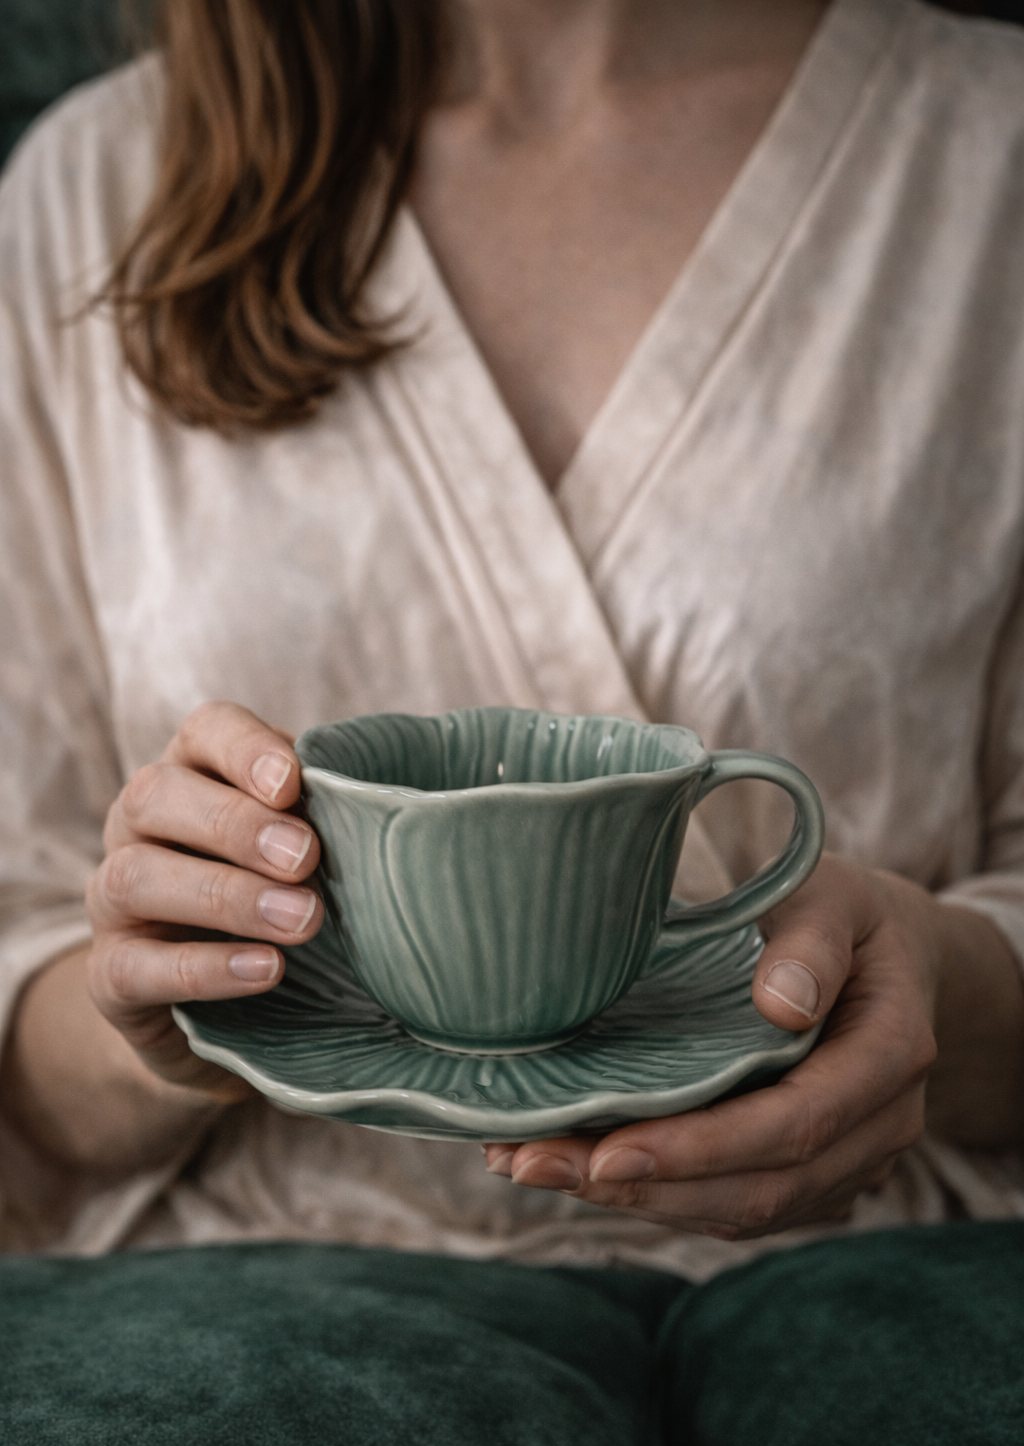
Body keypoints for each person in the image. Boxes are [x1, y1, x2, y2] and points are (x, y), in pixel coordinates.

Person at [1, 0, 1023, 1276]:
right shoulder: (95, 192)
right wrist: (162, 1012)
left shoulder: (989, 158)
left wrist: (934, 983)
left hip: (865, 1277)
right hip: (268, 1297)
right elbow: (26, 989)